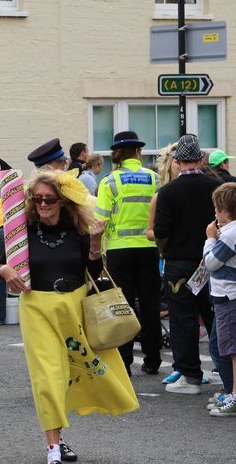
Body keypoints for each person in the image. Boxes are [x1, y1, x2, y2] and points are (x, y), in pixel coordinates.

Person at [0, 168, 138, 464]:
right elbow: (0, 259)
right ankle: (52, 448)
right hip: (37, 308)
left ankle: (59, 437)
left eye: (50, 199)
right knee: (49, 376)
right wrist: (6, 271)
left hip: (73, 307)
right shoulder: (21, 232)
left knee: (75, 372)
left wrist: (96, 241)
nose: (43, 203)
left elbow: (93, 267)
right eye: (38, 198)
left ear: (63, 201)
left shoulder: (78, 230)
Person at [153, 134, 221, 394]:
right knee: (215, 316)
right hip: (210, 260)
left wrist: (165, 250)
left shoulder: (168, 192)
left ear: (178, 161)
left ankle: (190, 375)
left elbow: (160, 230)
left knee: (183, 318)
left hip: (179, 262)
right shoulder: (214, 187)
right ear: (201, 159)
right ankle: (227, 371)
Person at [94, 131, 162, 376]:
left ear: (117, 154)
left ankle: (124, 361)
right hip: (148, 249)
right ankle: (153, 360)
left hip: (119, 252)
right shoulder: (155, 179)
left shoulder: (109, 182)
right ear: (138, 152)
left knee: (122, 306)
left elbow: (100, 220)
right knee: (150, 305)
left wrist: (99, 253)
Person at [204, 182, 236, 416]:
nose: (215, 212)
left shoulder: (231, 233)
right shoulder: (229, 231)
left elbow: (211, 263)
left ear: (225, 209)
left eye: (217, 208)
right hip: (225, 296)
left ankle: (233, 395)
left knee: (231, 349)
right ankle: (231, 392)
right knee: (220, 346)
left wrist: (209, 240)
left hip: (229, 296)